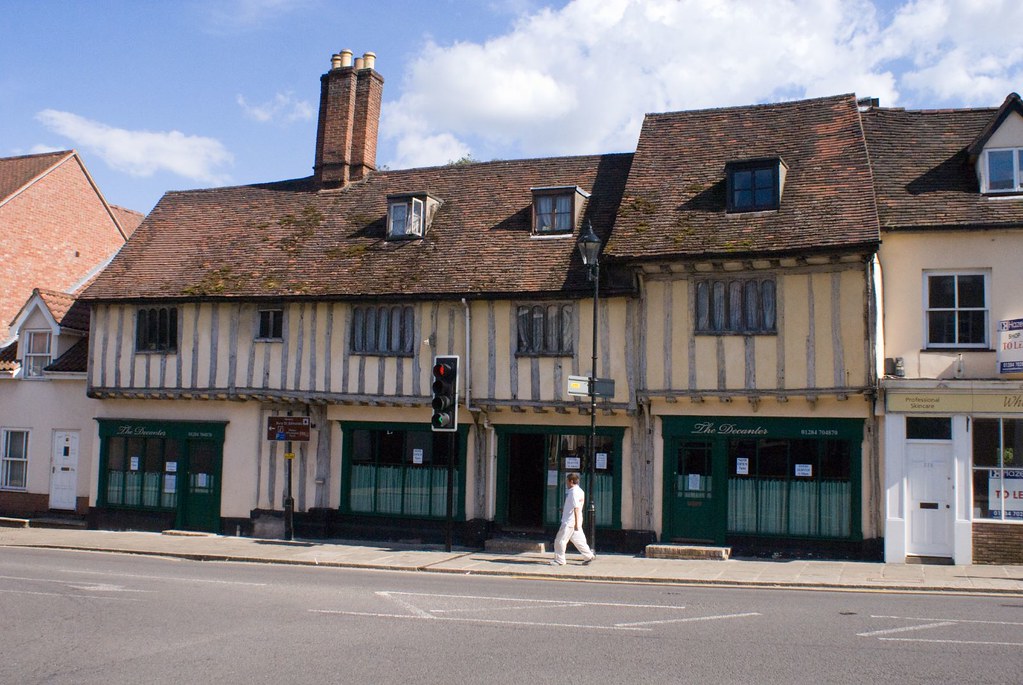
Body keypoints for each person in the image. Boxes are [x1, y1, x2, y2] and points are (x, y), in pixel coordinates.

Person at [550, 472, 595, 566]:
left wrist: (575, 523)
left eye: (566, 481)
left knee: (560, 540)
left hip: (569, 521)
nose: (566, 483)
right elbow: (575, 507)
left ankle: (560, 560)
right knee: (579, 540)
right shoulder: (580, 491)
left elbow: (576, 508)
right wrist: (565, 510)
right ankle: (589, 556)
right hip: (576, 520)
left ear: (571, 481)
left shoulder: (573, 492)